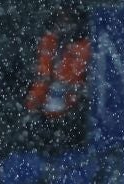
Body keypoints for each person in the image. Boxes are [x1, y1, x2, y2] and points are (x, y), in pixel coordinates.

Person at [24, 7, 91, 152]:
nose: (63, 24)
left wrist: (73, 93)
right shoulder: (49, 42)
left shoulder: (85, 46)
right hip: (48, 114)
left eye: (68, 19)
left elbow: (80, 81)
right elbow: (41, 78)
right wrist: (34, 105)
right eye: (60, 19)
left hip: (72, 114)